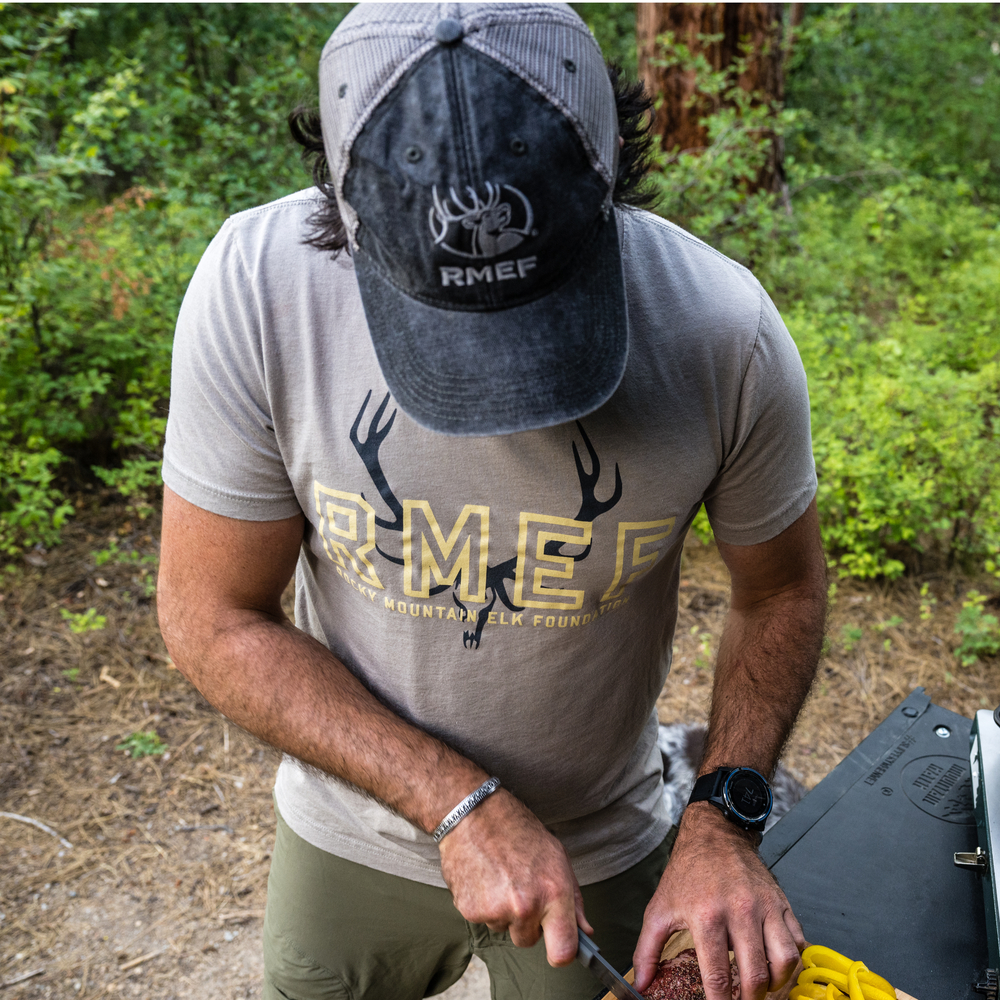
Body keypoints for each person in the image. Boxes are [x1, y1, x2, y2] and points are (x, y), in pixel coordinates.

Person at [157, 5, 827, 1000]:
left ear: (607, 170)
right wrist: (456, 801)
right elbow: (210, 615)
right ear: (342, 201)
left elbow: (779, 592)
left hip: (602, 832)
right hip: (350, 831)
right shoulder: (259, 291)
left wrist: (721, 818)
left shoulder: (722, 336)